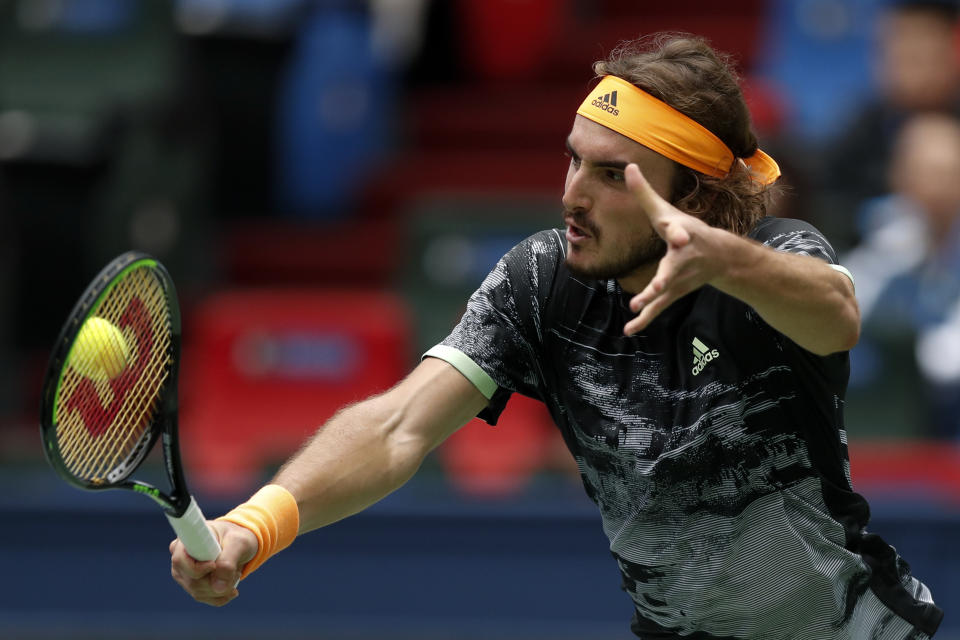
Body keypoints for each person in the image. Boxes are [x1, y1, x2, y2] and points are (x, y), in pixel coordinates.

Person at [170, 34, 944, 639]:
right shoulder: (543, 283)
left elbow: (835, 315)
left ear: (694, 193)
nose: (572, 195)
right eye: (574, 161)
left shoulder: (772, 264)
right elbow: (399, 425)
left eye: (614, 176)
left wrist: (724, 260)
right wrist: (253, 525)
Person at [844, 112, 960, 439]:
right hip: (897, 412)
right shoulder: (887, 232)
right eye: (926, 173)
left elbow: (947, 363)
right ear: (900, 176)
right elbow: (846, 303)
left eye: (949, 173)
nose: (938, 188)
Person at [817, 0, 960, 251]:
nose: (908, 67)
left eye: (921, 55)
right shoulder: (862, 128)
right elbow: (828, 205)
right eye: (898, 51)